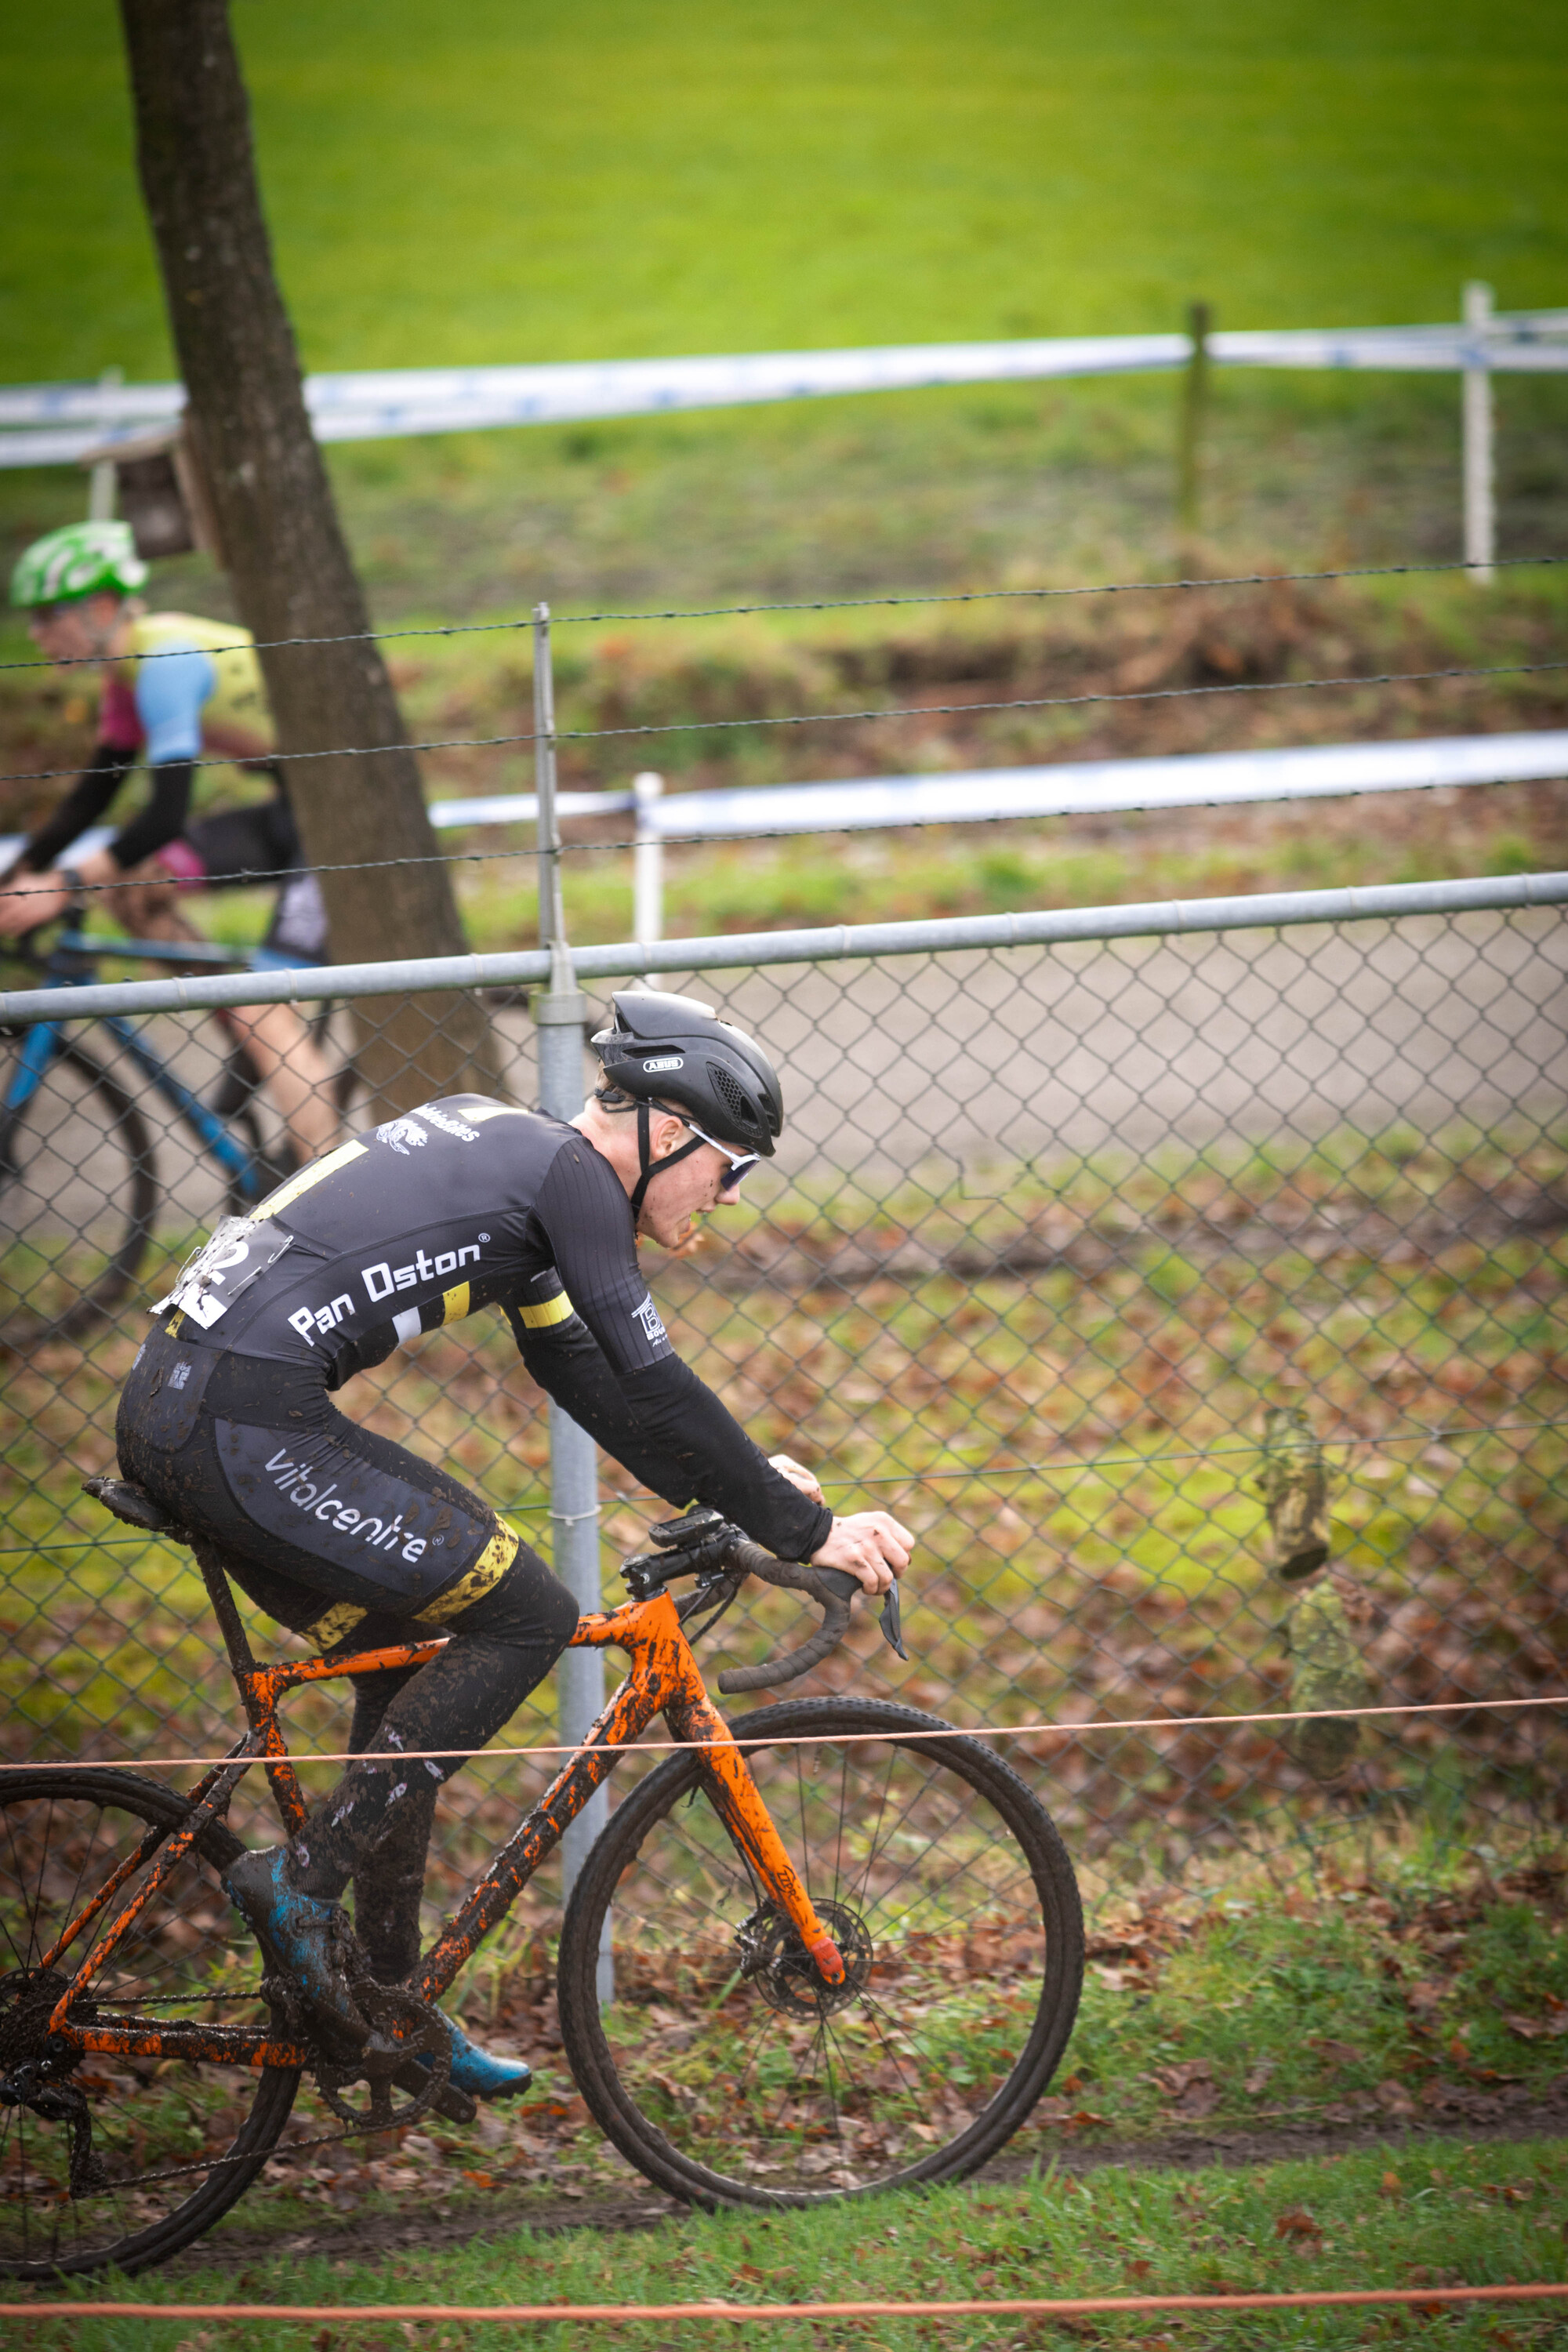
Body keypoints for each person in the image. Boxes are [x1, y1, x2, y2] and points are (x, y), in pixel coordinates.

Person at [114, 987, 913, 2100]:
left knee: (418, 1636)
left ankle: (380, 2007)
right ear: (669, 1131)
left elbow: (590, 1379)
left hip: (189, 1404)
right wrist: (810, 1529)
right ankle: (298, 1887)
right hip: (239, 1422)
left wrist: (739, 1496)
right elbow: (656, 1379)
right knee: (527, 1610)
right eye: (734, 1167)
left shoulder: (528, 1169)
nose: (728, 1197)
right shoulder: (572, 1180)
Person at [3, 521, 336, 1167]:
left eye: (48, 616)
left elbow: (164, 812)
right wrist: (19, 873)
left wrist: (64, 886)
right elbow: (92, 797)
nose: (36, 635)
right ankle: (236, 1017)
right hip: (294, 806)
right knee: (139, 887)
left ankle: (327, 1187)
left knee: (263, 1012)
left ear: (101, 608)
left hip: (341, 825)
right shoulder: (123, 676)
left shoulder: (163, 663)